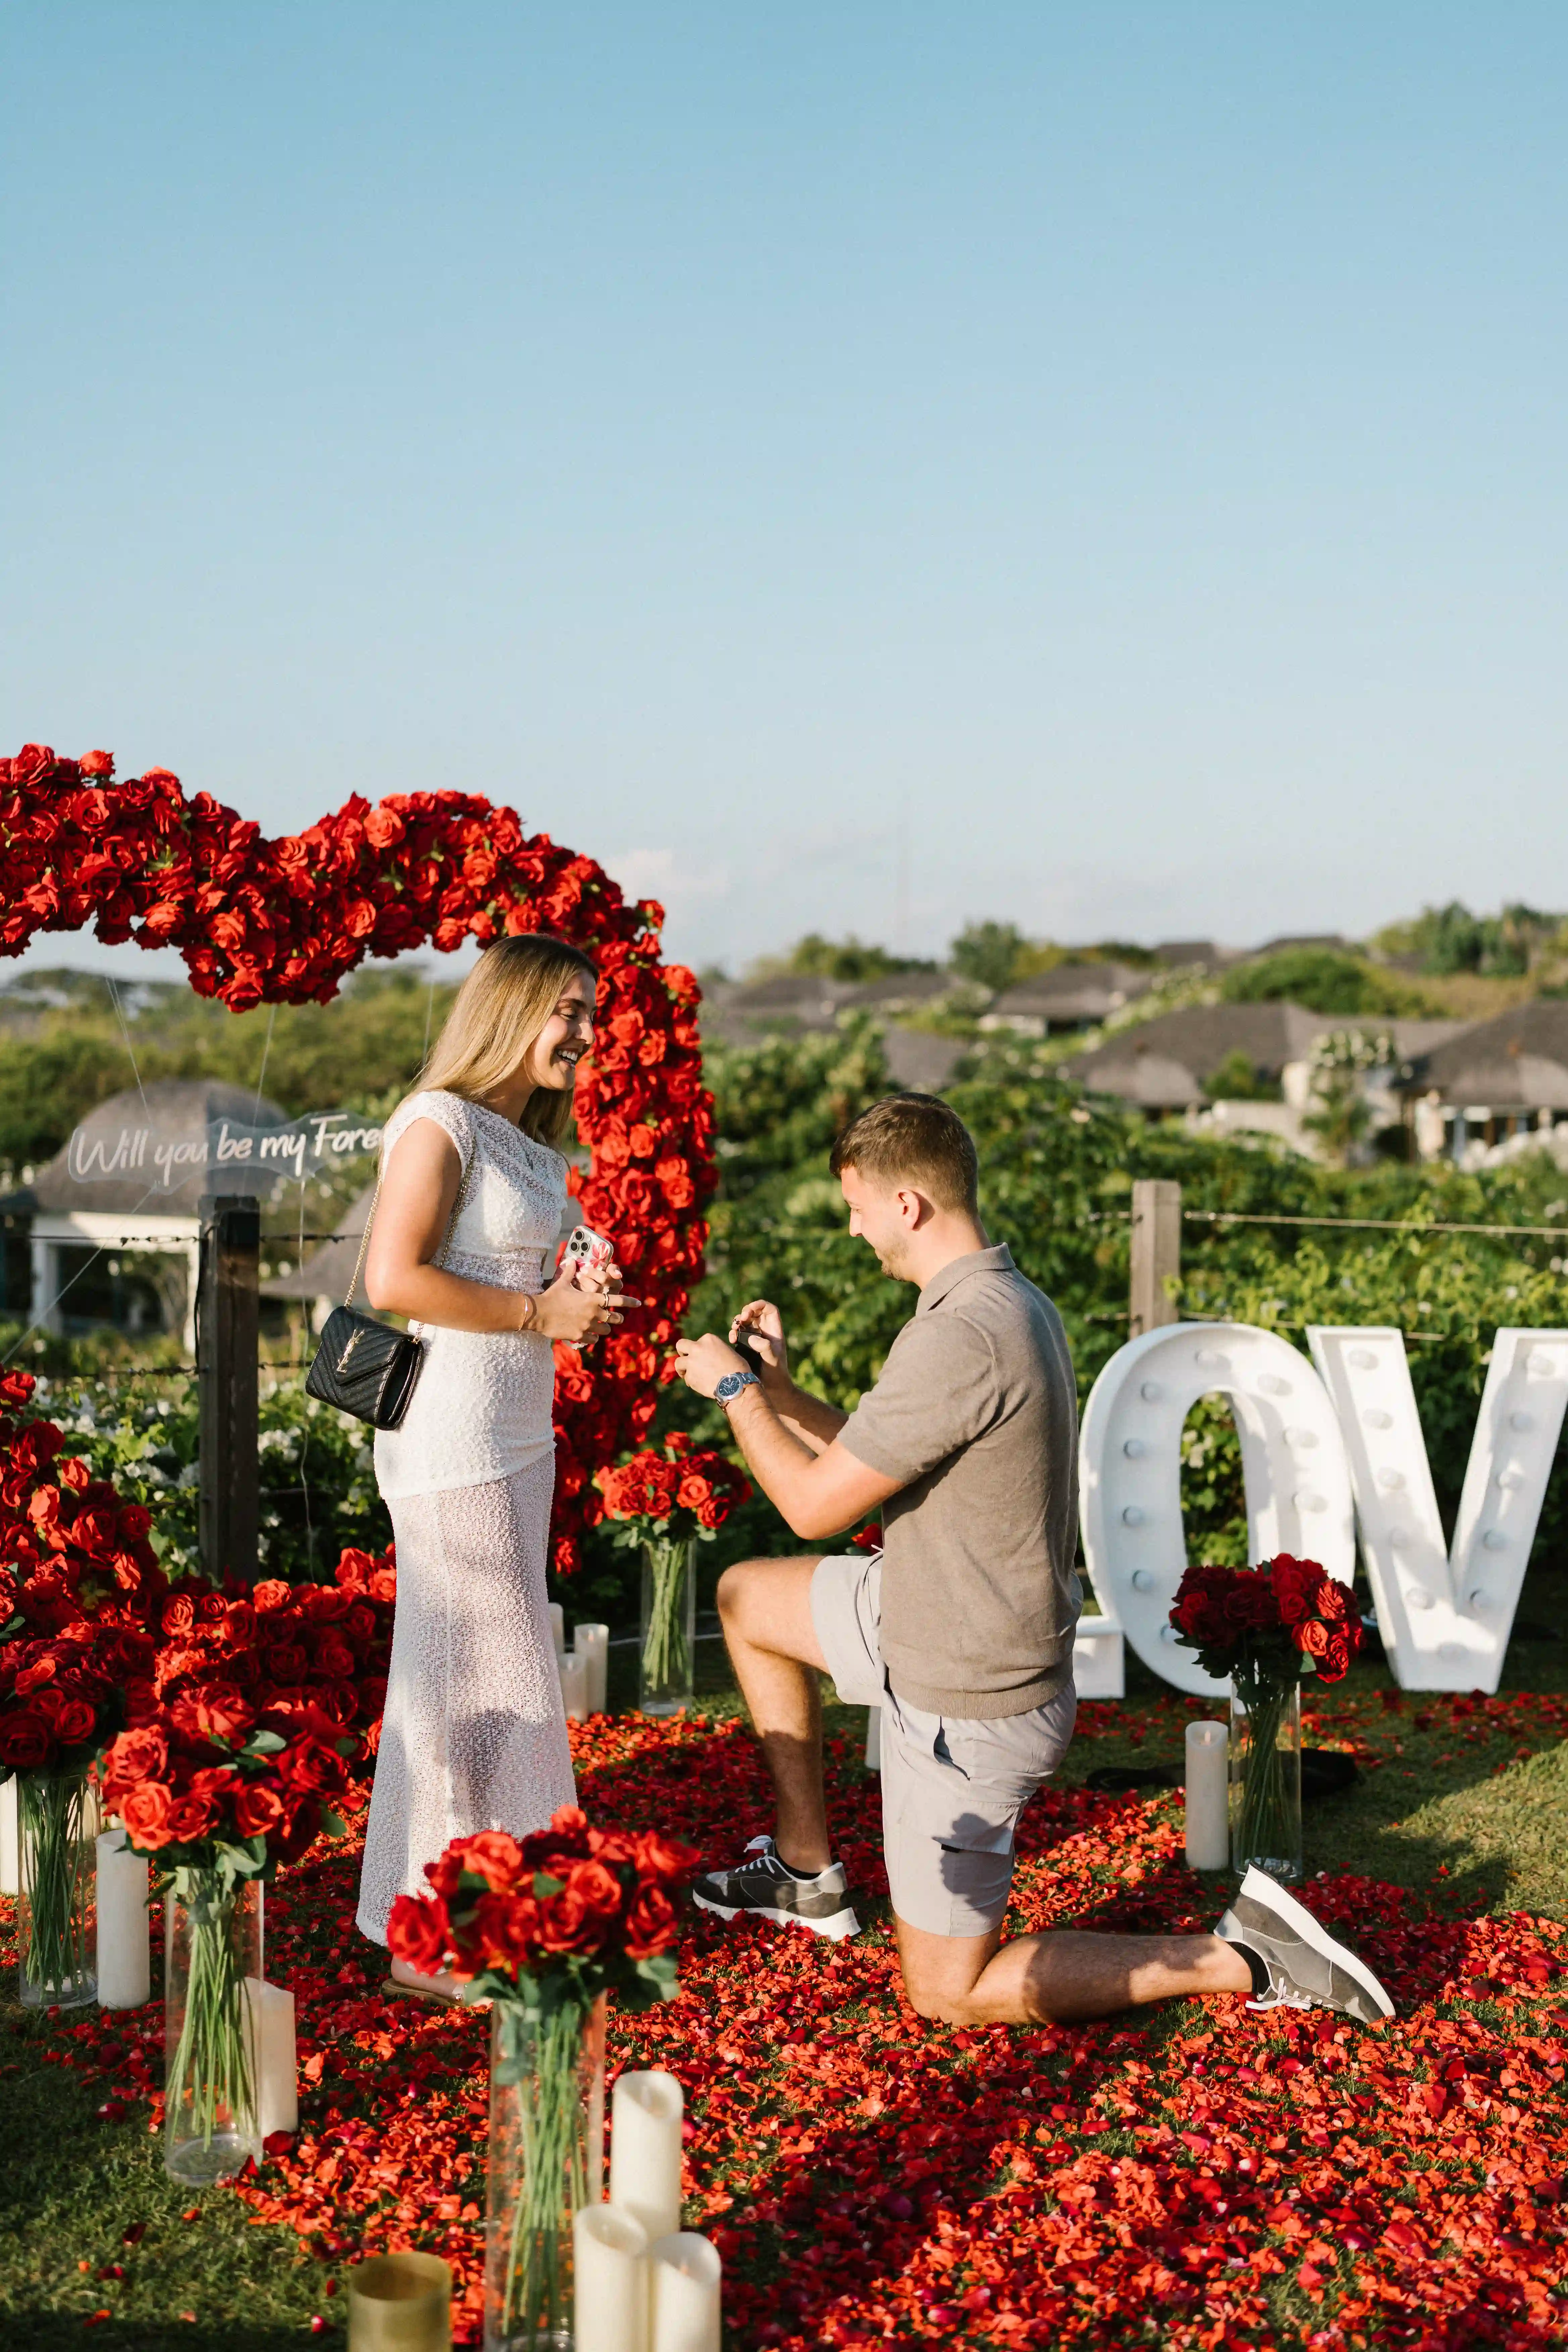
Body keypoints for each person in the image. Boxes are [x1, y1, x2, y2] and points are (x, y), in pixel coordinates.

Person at [675, 1092, 1393, 2031]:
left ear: (909, 1206)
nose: (852, 1231)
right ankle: (807, 1870)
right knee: (745, 1598)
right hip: (918, 1611)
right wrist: (782, 1393)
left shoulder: (960, 1334)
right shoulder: (1002, 1299)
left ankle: (1245, 1956)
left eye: (857, 1208)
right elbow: (882, 1458)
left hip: (965, 1697)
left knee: (948, 1992)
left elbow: (813, 1508)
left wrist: (732, 1391)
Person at [354, 935, 633, 1997]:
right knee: (480, 1671)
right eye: (568, 1009)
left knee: (473, 1669)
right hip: (451, 1434)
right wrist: (537, 1311)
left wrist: (577, 1305)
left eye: (590, 1013)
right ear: (511, 1007)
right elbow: (393, 1277)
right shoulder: (439, 1123)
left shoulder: (537, 1147)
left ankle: (459, 1911)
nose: (585, 1032)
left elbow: (525, 1284)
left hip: (522, 1432)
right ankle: (455, 1931)